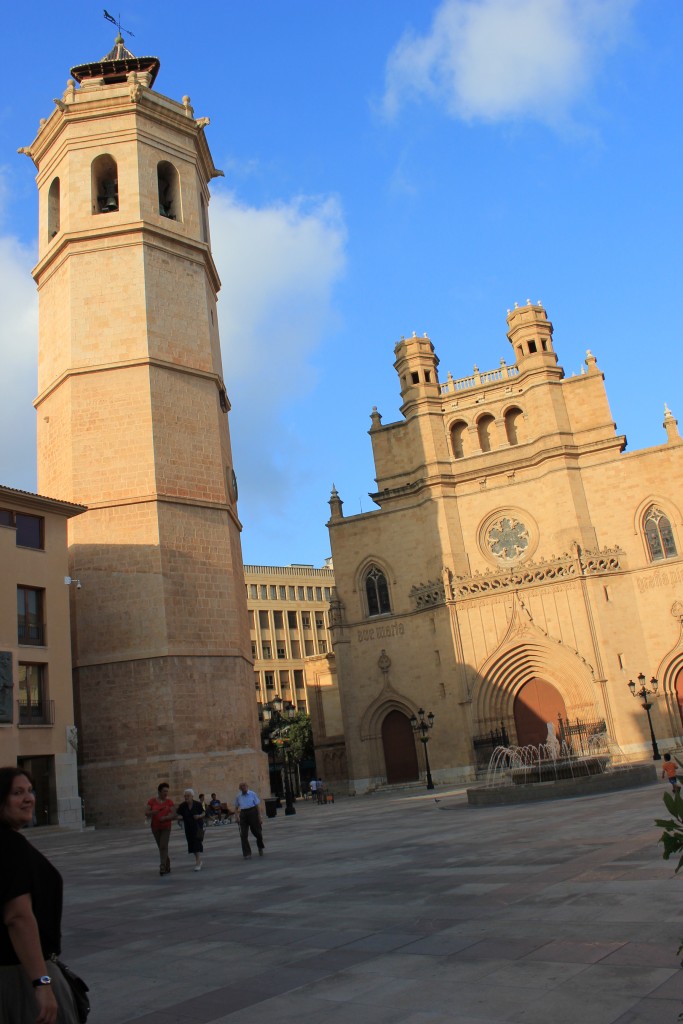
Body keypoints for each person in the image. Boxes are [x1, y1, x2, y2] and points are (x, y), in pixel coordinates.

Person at [0, 765, 81, 1023]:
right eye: (17, 793)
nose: (28, 798)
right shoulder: (10, 847)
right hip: (21, 977)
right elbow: (18, 917)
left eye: (30, 791)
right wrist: (42, 982)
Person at [145, 782, 175, 876]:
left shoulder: (169, 802)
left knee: (163, 846)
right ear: (159, 791)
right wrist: (153, 812)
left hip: (166, 827)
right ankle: (167, 864)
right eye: (164, 791)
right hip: (155, 827)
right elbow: (146, 812)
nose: (166, 793)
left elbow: (174, 814)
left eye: (167, 791)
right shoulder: (152, 801)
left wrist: (166, 818)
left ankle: (162, 866)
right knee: (161, 847)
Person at [176, 789, 205, 871]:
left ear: (192, 796)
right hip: (188, 827)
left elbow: (204, 813)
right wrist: (179, 817)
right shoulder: (182, 806)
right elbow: (178, 815)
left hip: (198, 826)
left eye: (188, 796)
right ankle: (198, 860)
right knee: (192, 844)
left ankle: (198, 862)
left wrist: (199, 816)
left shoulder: (198, 804)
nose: (186, 797)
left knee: (197, 843)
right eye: (185, 796)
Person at [234, 782, 264, 859]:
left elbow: (257, 806)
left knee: (257, 832)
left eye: (245, 786)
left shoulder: (252, 794)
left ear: (247, 787)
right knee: (243, 834)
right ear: (240, 789)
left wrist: (259, 816)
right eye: (242, 787)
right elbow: (236, 807)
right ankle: (247, 853)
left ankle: (260, 846)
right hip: (243, 813)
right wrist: (237, 816)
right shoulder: (238, 796)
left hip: (252, 812)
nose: (244, 788)